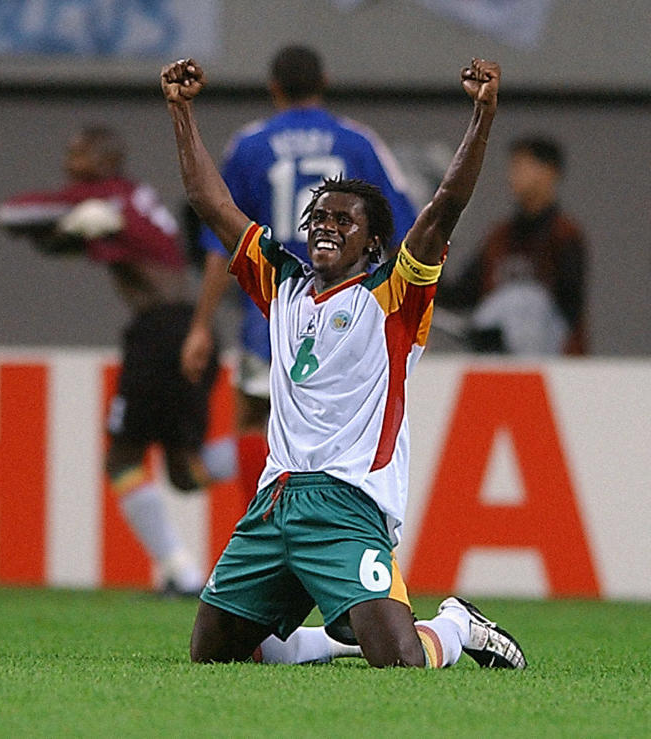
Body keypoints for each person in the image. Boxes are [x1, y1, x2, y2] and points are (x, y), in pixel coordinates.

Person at [161, 56, 526, 669]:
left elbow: (443, 207)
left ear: (372, 240)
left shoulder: (394, 294)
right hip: (275, 500)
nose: (325, 228)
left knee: (402, 661)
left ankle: (456, 627)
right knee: (215, 654)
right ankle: (316, 636)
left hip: (348, 502)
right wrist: (181, 109)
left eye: (342, 220)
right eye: (318, 219)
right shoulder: (281, 283)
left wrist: (482, 116)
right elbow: (208, 200)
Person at [0, 125, 235, 595]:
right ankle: (261, 452)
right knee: (186, 473)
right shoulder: (134, 199)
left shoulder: (107, 197)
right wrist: (65, 232)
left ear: (106, 158)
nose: (69, 157)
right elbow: (69, 238)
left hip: (160, 335)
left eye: (79, 149)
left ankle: (183, 573)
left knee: (123, 457)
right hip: (189, 327)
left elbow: (15, 213)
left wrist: (60, 222)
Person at [181, 45, 418, 507]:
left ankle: (265, 529)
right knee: (341, 427)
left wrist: (201, 325)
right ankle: (325, 534)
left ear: (273, 87)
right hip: (349, 313)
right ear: (324, 80)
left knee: (253, 423)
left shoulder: (250, 144)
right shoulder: (358, 142)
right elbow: (402, 230)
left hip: (271, 312)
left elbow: (222, 243)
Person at [436, 135, 588, 354]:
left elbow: (570, 309)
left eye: (522, 166)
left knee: (526, 301)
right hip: (498, 362)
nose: (512, 176)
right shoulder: (498, 237)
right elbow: (462, 294)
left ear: (549, 172)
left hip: (552, 364)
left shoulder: (565, 235)